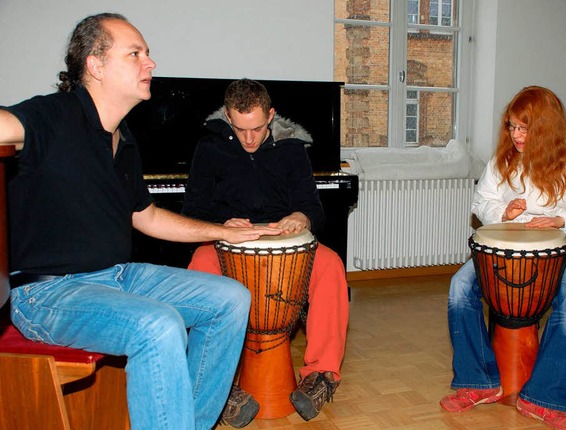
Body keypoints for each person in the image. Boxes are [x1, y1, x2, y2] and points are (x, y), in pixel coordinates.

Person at [0, 13, 281, 430]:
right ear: (94, 65)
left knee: (231, 299)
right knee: (159, 326)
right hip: (50, 293)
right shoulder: (52, 115)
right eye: (135, 54)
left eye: (147, 54)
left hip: (118, 276)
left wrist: (226, 230)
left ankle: (191, 423)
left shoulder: (124, 140)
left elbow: (146, 217)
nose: (150, 63)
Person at [439, 86, 566, 430]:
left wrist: (561, 220)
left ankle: (544, 398)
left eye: (524, 128)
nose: (516, 135)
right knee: (459, 287)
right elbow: (480, 203)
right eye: (512, 126)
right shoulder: (503, 160)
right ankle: (478, 382)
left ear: (546, 128)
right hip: (500, 254)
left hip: (559, 255)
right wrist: (503, 210)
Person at [182, 78, 350, 426]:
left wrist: (299, 216)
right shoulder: (209, 149)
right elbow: (192, 212)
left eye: (257, 128)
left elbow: (313, 209)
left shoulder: (292, 150)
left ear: (271, 116)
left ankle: (322, 374)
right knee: (199, 263)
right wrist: (222, 223)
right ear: (228, 117)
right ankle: (217, 381)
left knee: (331, 265)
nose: (249, 138)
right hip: (227, 244)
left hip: (282, 246)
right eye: (240, 128)